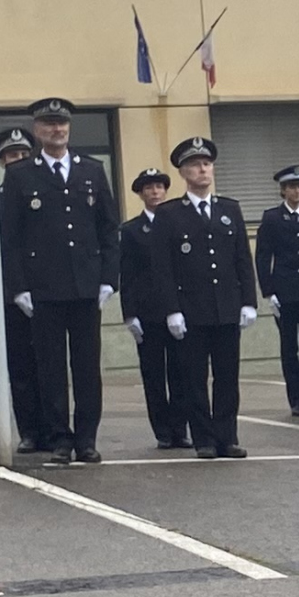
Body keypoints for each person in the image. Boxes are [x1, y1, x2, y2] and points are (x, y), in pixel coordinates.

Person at [0, 97, 119, 466]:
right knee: (50, 369)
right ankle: (59, 438)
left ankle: (87, 439)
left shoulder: (92, 170)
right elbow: (10, 238)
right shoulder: (21, 175)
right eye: (49, 124)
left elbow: (108, 229)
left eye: (62, 124)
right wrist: (18, 287)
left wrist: (108, 279)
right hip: (43, 288)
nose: (57, 130)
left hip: (85, 286)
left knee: (86, 368)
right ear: (37, 130)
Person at [156, 136, 257, 459]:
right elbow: (164, 268)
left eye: (207, 163)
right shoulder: (170, 214)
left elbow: (242, 258)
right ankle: (204, 439)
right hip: (191, 308)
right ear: (184, 172)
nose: (203, 169)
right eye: (195, 165)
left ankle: (227, 436)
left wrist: (249, 301)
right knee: (194, 379)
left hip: (226, 306)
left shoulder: (230, 209)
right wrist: (171, 309)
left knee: (227, 377)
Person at [0, 128, 45, 453]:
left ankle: (56, 429)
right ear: (1, 161)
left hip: (46, 292)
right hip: (9, 297)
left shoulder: (48, 192)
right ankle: (30, 431)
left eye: (23, 155)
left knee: (51, 365)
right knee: (20, 368)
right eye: (11, 155)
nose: (18, 160)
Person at [119, 167, 187, 451]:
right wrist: (130, 314)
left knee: (182, 372)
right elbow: (128, 274)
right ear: (140, 193)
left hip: (179, 308)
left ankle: (181, 429)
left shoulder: (179, 223)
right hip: (147, 311)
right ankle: (162, 431)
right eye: (149, 188)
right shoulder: (132, 230)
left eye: (159, 187)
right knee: (154, 374)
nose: (155, 192)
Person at [256, 164, 299, 417]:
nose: (298, 191)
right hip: (285, 290)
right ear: (283, 191)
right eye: (292, 187)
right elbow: (263, 256)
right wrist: (268, 292)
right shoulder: (272, 217)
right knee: (290, 346)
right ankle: (296, 398)